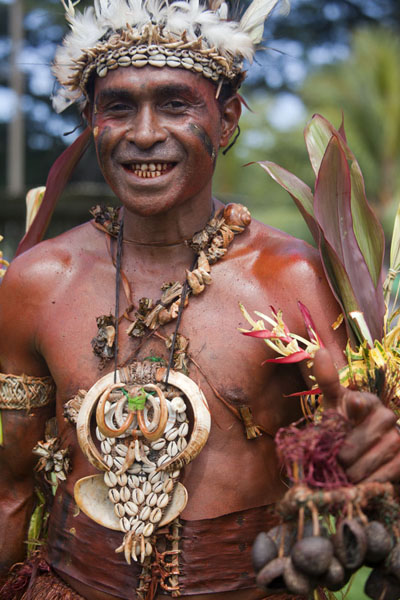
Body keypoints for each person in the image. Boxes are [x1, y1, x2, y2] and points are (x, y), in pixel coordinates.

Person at [1, 1, 399, 599]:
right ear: (91, 120)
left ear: (227, 117)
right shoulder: (38, 282)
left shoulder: (293, 279)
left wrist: (374, 450)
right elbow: (10, 488)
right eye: (118, 107)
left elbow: (356, 447)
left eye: (175, 103)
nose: (144, 133)